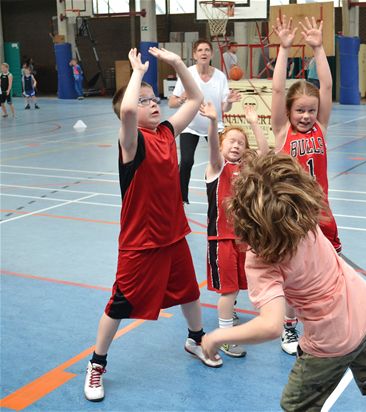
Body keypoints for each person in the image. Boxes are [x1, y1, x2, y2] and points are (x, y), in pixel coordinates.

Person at [201, 152, 366, 411]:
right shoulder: (304, 220)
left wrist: (220, 335)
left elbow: (271, 326)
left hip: (331, 338)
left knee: (295, 406)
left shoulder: (261, 260)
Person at [83, 47, 222, 403]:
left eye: (155, 98)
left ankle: (196, 339)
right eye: (145, 100)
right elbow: (127, 109)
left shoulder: (165, 132)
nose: (153, 103)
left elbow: (195, 97)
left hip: (173, 235)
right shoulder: (131, 142)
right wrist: (137, 73)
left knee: (189, 292)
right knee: (118, 304)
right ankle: (97, 363)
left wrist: (177, 64)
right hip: (140, 242)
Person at [270, 16, 343, 356]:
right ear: (290, 111)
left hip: (321, 211)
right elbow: (278, 89)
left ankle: (321, 322)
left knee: (327, 270)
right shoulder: (282, 131)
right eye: (300, 110)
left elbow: (326, 88)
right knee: (294, 275)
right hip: (292, 215)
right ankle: (289, 325)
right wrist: (284, 49)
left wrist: (318, 48)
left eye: (310, 110)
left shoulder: (321, 128)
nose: (306, 115)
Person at [200, 102, 269, 358]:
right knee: (228, 290)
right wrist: (212, 121)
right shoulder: (217, 168)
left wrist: (253, 123)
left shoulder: (247, 169)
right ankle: (224, 337)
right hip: (221, 239)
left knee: (237, 287)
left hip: (244, 239)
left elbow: (263, 154)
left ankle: (229, 315)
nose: (236, 145)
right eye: (231, 141)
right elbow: (213, 151)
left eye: (241, 142)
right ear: (221, 144)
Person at [168, 39, 240, 204]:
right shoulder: (187, 73)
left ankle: (225, 195)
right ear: (194, 55)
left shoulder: (220, 76)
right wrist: (181, 99)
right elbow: (172, 102)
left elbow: (224, 108)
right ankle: (180, 197)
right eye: (200, 50)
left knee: (222, 161)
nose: (204, 53)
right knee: (186, 161)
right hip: (190, 126)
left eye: (207, 50)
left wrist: (229, 101)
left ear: (212, 54)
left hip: (214, 125)